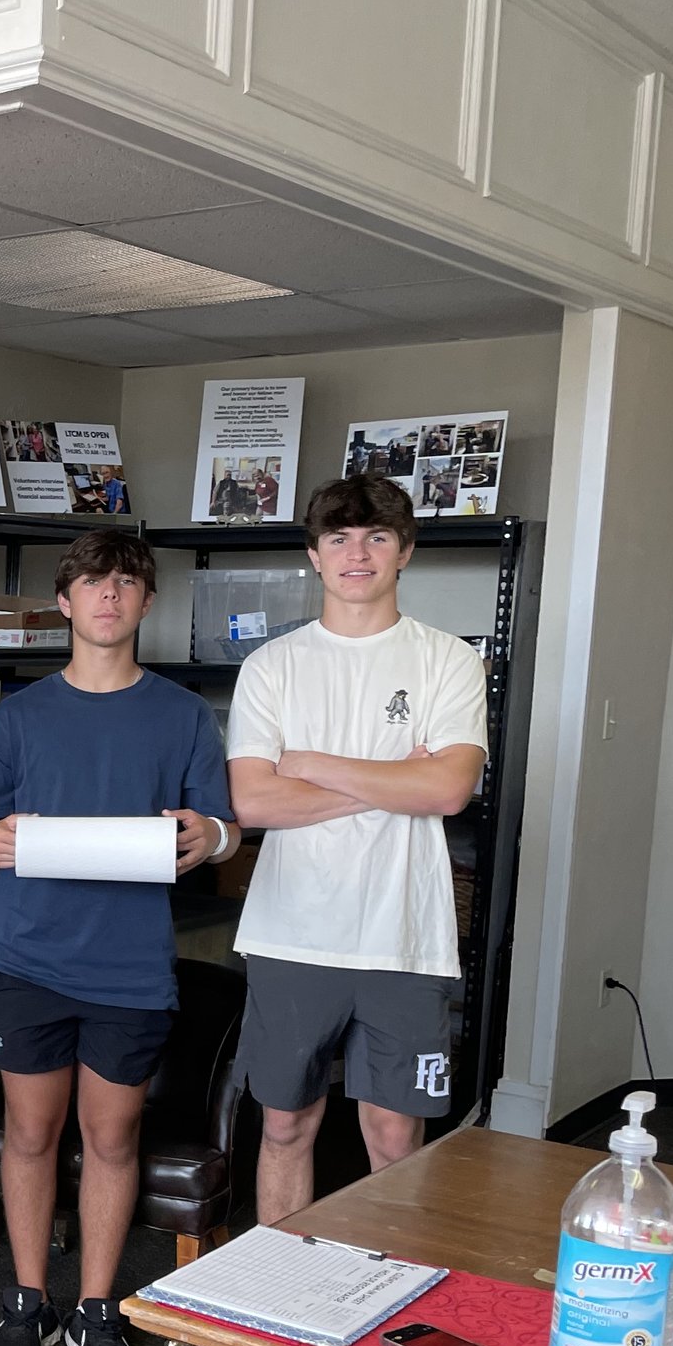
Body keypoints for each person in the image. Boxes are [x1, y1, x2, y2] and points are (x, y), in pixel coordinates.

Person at [0, 531, 233, 1346]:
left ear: (147, 603)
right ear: (65, 602)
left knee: (113, 1139)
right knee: (31, 1134)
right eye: (91, 583)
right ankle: (29, 1298)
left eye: (126, 583)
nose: (109, 596)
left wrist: (210, 836)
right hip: (31, 961)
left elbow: (223, 830)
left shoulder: (183, 713)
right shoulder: (20, 714)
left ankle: (98, 1307)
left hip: (131, 971)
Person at [225, 475, 486, 1264]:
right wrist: (383, 782)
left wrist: (309, 764)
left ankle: (386, 1307)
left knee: (394, 1131)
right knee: (284, 1121)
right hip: (291, 932)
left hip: (403, 938)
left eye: (376, 536)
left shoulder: (447, 660)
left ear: (405, 551)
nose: (357, 553)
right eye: (338, 538)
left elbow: (447, 787)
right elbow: (255, 802)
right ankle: (277, 1291)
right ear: (314, 556)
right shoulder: (272, 666)